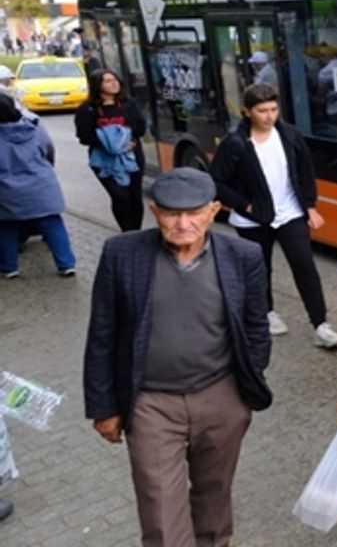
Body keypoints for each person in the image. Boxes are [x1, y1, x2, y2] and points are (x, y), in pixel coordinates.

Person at [83, 168, 272, 547]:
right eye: (171, 213)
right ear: (155, 212)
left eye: (194, 212)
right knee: (160, 510)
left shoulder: (243, 256)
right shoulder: (122, 253)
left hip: (221, 397)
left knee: (214, 493)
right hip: (151, 404)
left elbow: (256, 326)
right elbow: (102, 333)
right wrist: (104, 407)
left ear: (214, 210)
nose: (183, 224)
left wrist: (243, 387)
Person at [209, 84, 337, 348]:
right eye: (262, 111)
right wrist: (244, 206)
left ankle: (321, 325)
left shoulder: (290, 135)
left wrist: (310, 206)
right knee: (261, 268)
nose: (269, 116)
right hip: (253, 219)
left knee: (304, 265)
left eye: (273, 109)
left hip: (290, 213)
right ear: (247, 111)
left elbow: (305, 171)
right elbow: (216, 182)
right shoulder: (235, 143)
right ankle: (267, 312)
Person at [0, 94, 76, 279]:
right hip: (42, 184)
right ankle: (66, 264)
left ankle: (9, 267)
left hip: (7, 189)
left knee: (7, 227)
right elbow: (48, 150)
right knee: (53, 223)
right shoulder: (34, 127)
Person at [74, 69, 147, 231]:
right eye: (107, 81)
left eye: (115, 80)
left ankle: (136, 232)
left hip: (131, 156)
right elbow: (84, 136)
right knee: (120, 196)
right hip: (104, 160)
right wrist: (109, 144)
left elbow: (140, 127)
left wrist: (129, 141)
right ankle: (126, 232)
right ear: (97, 85)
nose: (114, 83)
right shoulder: (87, 109)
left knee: (134, 196)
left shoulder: (128, 104)